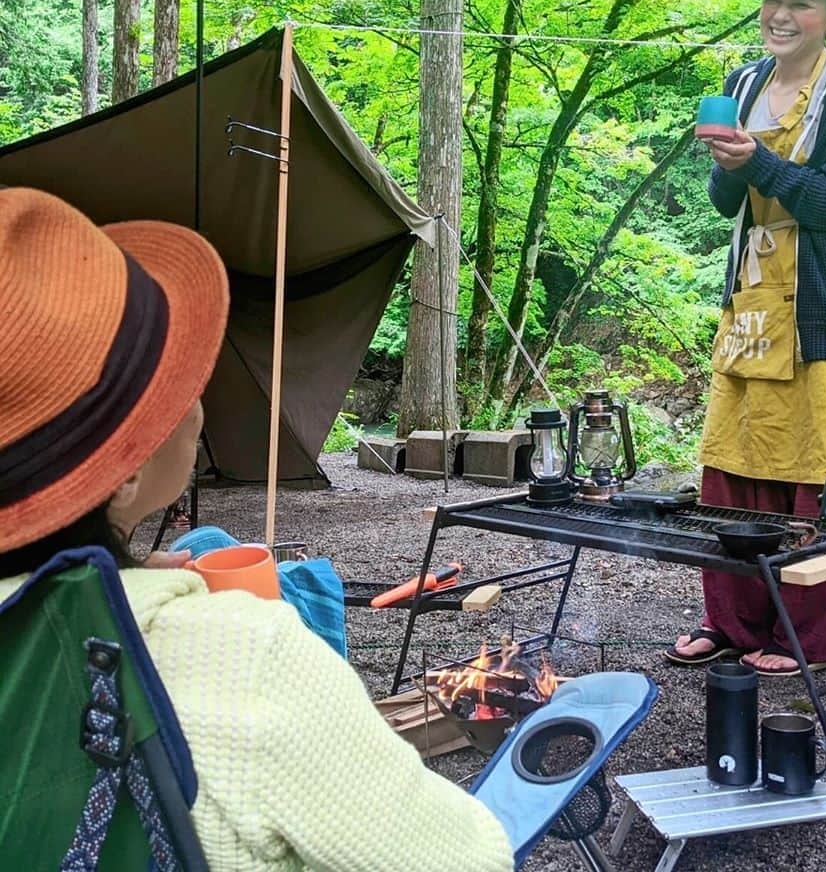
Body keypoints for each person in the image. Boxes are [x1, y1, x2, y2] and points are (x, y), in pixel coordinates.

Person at [0, 188, 513, 871]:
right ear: (122, 470)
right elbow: (468, 861)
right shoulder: (243, 658)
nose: (200, 402)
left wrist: (117, 576)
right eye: (176, 382)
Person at [665, 0, 826, 676]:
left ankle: (807, 637)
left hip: (823, 306)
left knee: (816, 479)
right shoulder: (745, 78)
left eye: (800, 2)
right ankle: (731, 622)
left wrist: (757, 160)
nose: (780, 14)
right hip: (754, 304)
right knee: (733, 469)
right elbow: (727, 203)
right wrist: (729, 162)